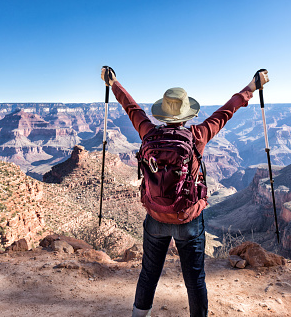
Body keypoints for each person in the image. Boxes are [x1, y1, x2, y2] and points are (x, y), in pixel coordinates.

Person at [101, 67, 269, 317]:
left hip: (156, 217)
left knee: (149, 273)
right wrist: (252, 87)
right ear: (186, 114)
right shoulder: (196, 136)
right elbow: (225, 112)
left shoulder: (148, 131)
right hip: (188, 219)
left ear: (162, 114)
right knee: (195, 279)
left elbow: (131, 108)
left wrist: (113, 83)